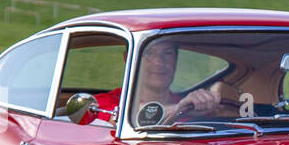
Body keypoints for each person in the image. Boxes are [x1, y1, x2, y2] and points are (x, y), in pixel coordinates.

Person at [93, 38, 221, 125]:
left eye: (168, 53)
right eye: (149, 53)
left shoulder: (195, 109)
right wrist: (179, 109)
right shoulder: (104, 103)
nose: (159, 63)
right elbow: (128, 120)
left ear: (176, 60)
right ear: (129, 59)